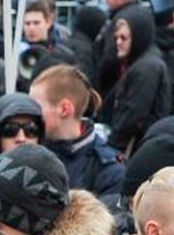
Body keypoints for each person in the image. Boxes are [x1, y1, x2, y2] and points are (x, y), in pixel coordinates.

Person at [31, 64, 125, 200]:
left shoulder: (106, 170)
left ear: (64, 109)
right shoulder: (29, 147)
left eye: (36, 106)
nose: (29, 111)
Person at [100, 5, 172, 153]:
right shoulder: (139, 62)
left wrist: (113, 146)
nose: (118, 42)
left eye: (124, 38)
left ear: (138, 37)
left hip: (138, 147)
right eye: (117, 37)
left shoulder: (146, 67)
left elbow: (133, 115)